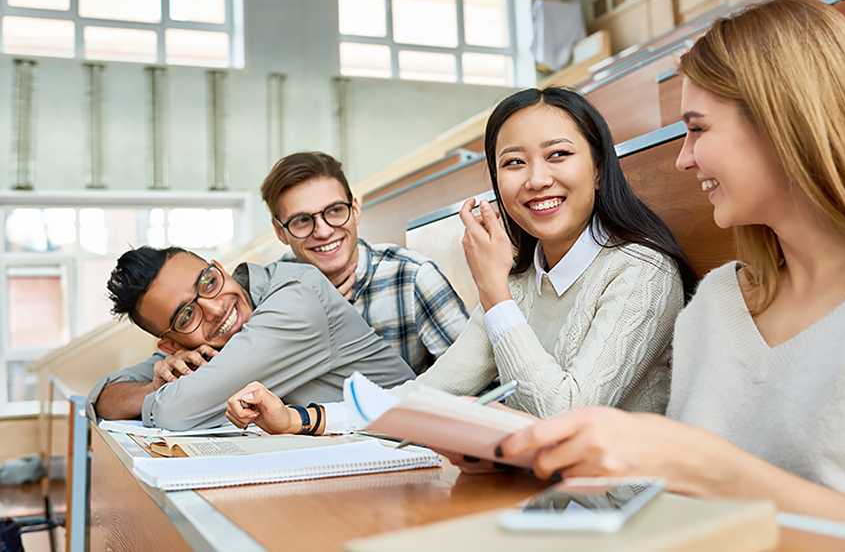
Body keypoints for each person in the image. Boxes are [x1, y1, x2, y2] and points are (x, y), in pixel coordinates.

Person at [492, 0, 845, 544]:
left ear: (785, 123)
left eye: (698, 129)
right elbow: (678, 507)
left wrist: (712, 469)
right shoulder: (715, 302)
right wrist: (518, 456)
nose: (683, 159)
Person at [225, 87, 698, 433]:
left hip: (618, 519)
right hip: (530, 503)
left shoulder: (641, 273)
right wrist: (296, 419)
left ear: (597, 167)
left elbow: (565, 419)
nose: (535, 179)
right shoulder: (518, 282)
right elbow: (426, 394)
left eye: (558, 155)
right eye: (513, 163)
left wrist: (493, 293)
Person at [87, 246, 414, 430]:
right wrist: (153, 386)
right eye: (186, 315)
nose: (214, 308)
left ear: (220, 268)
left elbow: (176, 411)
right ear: (171, 345)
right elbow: (104, 395)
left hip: (415, 450)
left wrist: (169, 392)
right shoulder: (202, 345)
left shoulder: (296, 297)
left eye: (209, 282)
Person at [260, 151, 469, 375]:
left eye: (334, 210)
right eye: (302, 221)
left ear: (355, 209)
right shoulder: (273, 290)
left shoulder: (412, 278)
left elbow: (481, 384)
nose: (323, 231)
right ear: (281, 232)